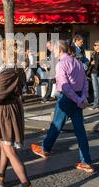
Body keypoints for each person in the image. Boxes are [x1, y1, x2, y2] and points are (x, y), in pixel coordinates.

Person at [31, 40, 93, 174]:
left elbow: (64, 86)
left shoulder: (61, 64)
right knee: (80, 131)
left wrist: (77, 99)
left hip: (67, 98)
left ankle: (45, 149)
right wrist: (83, 98)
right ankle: (86, 161)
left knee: (56, 125)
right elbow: (85, 82)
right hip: (77, 97)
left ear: (59, 50)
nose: (52, 52)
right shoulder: (77, 62)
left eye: (54, 50)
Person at [0, 40, 37, 187]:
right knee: (3, 145)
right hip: (10, 108)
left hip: (6, 111)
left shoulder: (9, 71)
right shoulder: (17, 68)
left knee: (8, 149)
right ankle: (0, 176)